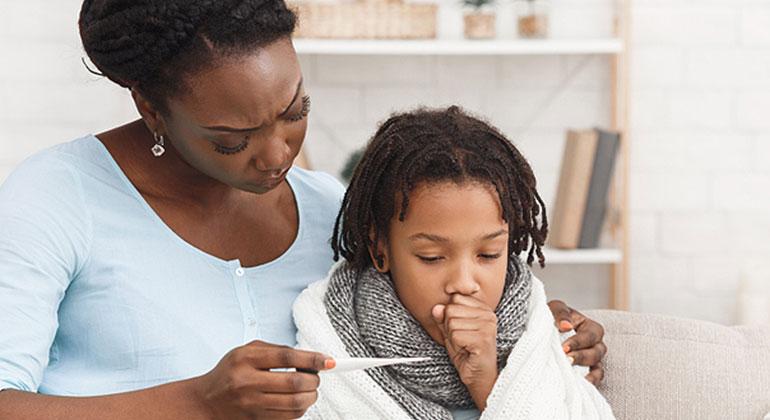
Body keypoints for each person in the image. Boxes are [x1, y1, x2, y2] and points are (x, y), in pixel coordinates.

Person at [0, 1, 606, 419]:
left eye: (294, 111)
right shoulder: (56, 198)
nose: (275, 156)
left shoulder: (336, 215)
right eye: (232, 139)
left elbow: (426, 332)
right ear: (152, 110)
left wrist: (534, 337)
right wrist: (195, 404)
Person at [294, 106, 614, 419]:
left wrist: (487, 383)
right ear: (381, 249)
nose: (463, 283)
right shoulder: (328, 338)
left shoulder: (545, 339)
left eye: (488, 254)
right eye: (431, 257)